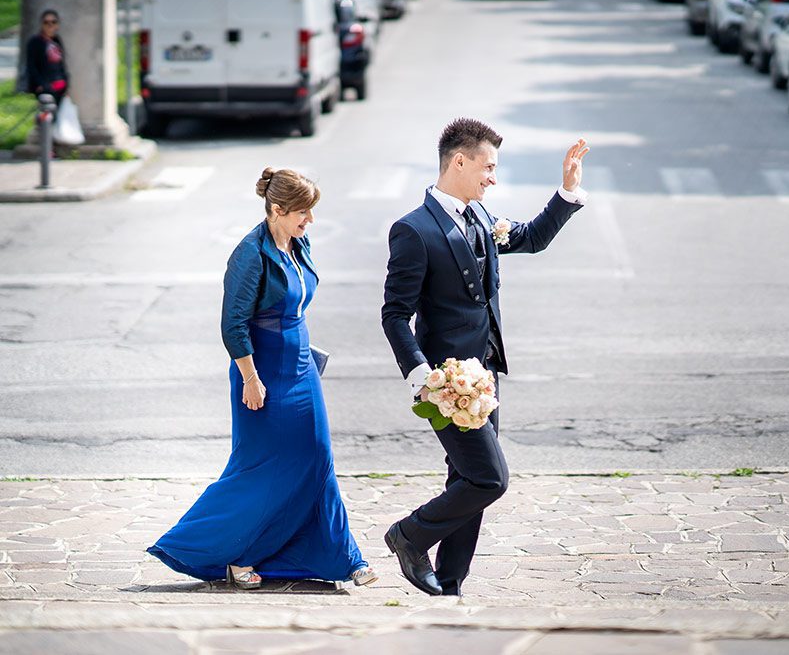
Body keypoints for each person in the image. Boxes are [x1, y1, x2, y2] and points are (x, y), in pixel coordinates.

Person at [381, 118, 588, 596]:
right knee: (490, 479)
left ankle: (450, 584)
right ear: (460, 161)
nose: (493, 177)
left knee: (466, 478)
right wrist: (422, 378)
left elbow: (531, 237)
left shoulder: (479, 218)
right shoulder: (413, 231)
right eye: (488, 167)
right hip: (447, 383)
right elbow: (395, 315)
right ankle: (409, 536)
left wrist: (567, 192)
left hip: (486, 377)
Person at [148, 168, 375, 590]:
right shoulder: (249, 254)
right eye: (303, 213)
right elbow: (233, 325)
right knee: (258, 470)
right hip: (260, 374)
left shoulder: (299, 243)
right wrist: (251, 379)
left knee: (317, 459)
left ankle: (343, 557)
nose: (310, 221)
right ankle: (234, 555)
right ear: (276, 209)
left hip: (302, 370)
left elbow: (295, 306)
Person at [25, 10, 69, 103]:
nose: (50, 25)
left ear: (57, 25)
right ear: (42, 24)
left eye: (53, 22)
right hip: (44, 88)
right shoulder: (35, 42)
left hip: (60, 86)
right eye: (46, 22)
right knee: (46, 115)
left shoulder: (57, 40)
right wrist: (40, 84)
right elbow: (31, 66)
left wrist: (66, 82)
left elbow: (61, 63)